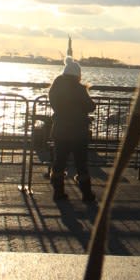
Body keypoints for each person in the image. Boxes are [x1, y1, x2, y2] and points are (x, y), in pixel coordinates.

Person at [48, 57, 96, 204]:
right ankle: (87, 195)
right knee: (81, 163)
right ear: (77, 74)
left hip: (60, 129)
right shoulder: (79, 88)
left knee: (59, 162)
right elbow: (91, 107)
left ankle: (58, 192)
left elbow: (55, 105)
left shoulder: (55, 87)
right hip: (78, 132)